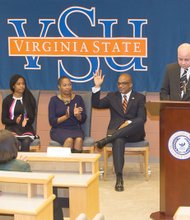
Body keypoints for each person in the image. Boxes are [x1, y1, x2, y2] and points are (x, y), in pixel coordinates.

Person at [92, 70, 146, 192]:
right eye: (119, 84)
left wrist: (128, 124)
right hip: (118, 134)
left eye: (124, 83)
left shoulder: (139, 97)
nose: (120, 86)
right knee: (118, 140)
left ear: (130, 84)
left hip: (134, 133)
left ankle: (107, 139)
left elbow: (142, 118)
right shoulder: (112, 96)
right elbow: (96, 104)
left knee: (138, 121)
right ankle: (119, 177)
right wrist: (97, 86)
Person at [0, 129, 64, 220]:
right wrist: (20, 163)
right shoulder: (22, 165)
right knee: (52, 196)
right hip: (21, 204)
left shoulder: (19, 164)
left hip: (4, 203)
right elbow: (31, 187)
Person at [48, 76, 87, 153]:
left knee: (79, 140)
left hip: (75, 128)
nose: (68, 87)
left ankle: (76, 164)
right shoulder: (54, 100)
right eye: (65, 85)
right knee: (69, 140)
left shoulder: (78, 99)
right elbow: (52, 121)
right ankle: (66, 164)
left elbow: (83, 119)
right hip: (58, 129)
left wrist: (78, 116)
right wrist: (66, 117)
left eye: (70, 85)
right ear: (59, 87)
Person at [1, 74, 37, 151]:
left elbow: (32, 118)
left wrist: (26, 121)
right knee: (14, 141)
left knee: (26, 142)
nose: (21, 86)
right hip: (11, 129)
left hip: (26, 129)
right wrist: (15, 121)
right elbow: (3, 120)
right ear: (13, 86)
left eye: (23, 84)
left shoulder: (29, 99)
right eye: (19, 84)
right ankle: (14, 162)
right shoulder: (7, 100)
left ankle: (23, 162)